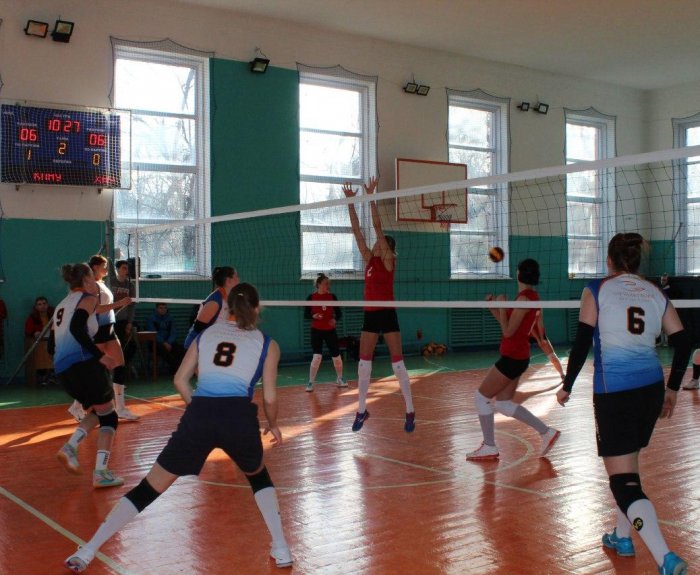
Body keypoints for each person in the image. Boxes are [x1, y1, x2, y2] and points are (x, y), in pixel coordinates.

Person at [64, 283, 293, 572]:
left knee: (149, 487)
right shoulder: (268, 344)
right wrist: (273, 425)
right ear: (257, 308)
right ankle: (281, 548)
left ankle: (88, 550)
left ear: (228, 308)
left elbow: (180, 380)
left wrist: (198, 408)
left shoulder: (206, 334)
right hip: (239, 417)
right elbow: (270, 397)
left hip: (200, 415)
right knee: (259, 476)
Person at [556, 233, 691, 575]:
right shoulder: (655, 292)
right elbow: (684, 341)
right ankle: (622, 536)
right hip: (651, 391)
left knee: (623, 483)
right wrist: (673, 389)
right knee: (628, 466)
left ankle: (665, 557)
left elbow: (582, 343)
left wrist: (567, 385)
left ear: (609, 260)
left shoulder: (597, 289)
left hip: (615, 393)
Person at [466, 258, 560, 460]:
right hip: (518, 356)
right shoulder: (527, 297)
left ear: (519, 274)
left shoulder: (524, 299)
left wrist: (501, 306)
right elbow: (507, 324)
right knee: (503, 404)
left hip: (512, 356)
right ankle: (546, 432)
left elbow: (508, 332)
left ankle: (489, 446)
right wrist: (493, 307)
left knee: (481, 397)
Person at [342, 177, 415, 432]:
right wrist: (350, 202)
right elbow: (356, 231)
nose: (373, 244)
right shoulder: (369, 260)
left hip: (387, 313)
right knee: (364, 363)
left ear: (387, 249)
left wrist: (371, 196)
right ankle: (361, 410)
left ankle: (410, 410)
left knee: (397, 363)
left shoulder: (387, 261)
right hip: (370, 314)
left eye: (379, 244)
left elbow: (376, 226)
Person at [51, 263, 123, 489]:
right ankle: (100, 473)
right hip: (84, 364)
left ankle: (70, 447)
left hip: (62, 369)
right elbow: (77, 328)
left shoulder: (62, 305)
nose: (96, 283)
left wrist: (119, 304)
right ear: (86, 280)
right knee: (109, 417)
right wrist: (100, 356)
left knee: (97, 410)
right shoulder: (88, 298)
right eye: (93, 277)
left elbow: (52, 344)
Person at [68, 255, 137, 422]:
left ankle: (120, 408)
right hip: (98, 331)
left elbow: (107, 308)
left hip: (110, 329)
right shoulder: (92, 287)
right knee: (93, 371)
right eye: (104, 266)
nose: (107, 269)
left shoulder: (103, 284)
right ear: (95, 267)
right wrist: (120, 303)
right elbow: (96, 309)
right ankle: (77, 405)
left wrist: (120, 305)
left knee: (119, 365)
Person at [305, 272, 347, 392]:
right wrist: (314, 316)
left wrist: (335, 319)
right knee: (317, 357)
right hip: (316, 330)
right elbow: (306, 314)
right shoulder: (311, 297)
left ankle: (340, 378)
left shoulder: (332, 297)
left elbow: (339, 313)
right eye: (325, 283)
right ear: (318, 284)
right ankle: (311, 382)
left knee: (336, 356)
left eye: (328, 284)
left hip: (330, 331)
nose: (327, 286)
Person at [183, 266, 239, 349]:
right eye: (236, 277)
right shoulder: (215, 301)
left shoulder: (230, 298)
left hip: (213, 343)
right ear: (228, 281)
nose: (238, 280)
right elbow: (198, 328)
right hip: (196, 346)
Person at [108, 259, 137, 376]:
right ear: (117, 270)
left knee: (130, 346)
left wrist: (130, 322)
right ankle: (113, 372)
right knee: (112, 347)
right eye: (124, 268)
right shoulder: (110, 282)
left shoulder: (130, 285)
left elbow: (132, 306)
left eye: (128, 268)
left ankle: (121, 370)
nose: (126, 271)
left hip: (123, 321)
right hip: (110, 320)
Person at [24, 296, 56, 385]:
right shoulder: (32, 317)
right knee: (41, 353)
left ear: (47, 305)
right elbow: (28, 330)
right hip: (39, 342)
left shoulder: (53, 315)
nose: (42, 306)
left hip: (52, 339)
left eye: (44, 303)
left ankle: (52, 375)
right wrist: (34, 333)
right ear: (36, 307)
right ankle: (43, 376)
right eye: (39, 304)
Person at [147, 303, 185, 374]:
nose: (163, 310)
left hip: (169, 342)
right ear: (156, 309)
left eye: (165, 308)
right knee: (163, 350)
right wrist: (164, 343)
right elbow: (153, 333)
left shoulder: (170, 318)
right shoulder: (151, 319)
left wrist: (169, 342)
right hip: (156, 343)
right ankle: (176, 369)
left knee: (180, 350)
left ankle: (181, 369)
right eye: (161, 308)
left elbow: (173, 332)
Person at [529, 316, 565, 381]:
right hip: (526, 334)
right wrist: (538, 340)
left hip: (539, 333)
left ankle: (562, 375)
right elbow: (529, 325)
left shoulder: (539, 310)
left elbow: (540, 321)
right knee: (518, 358)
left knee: (552, 356)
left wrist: (541, 339)